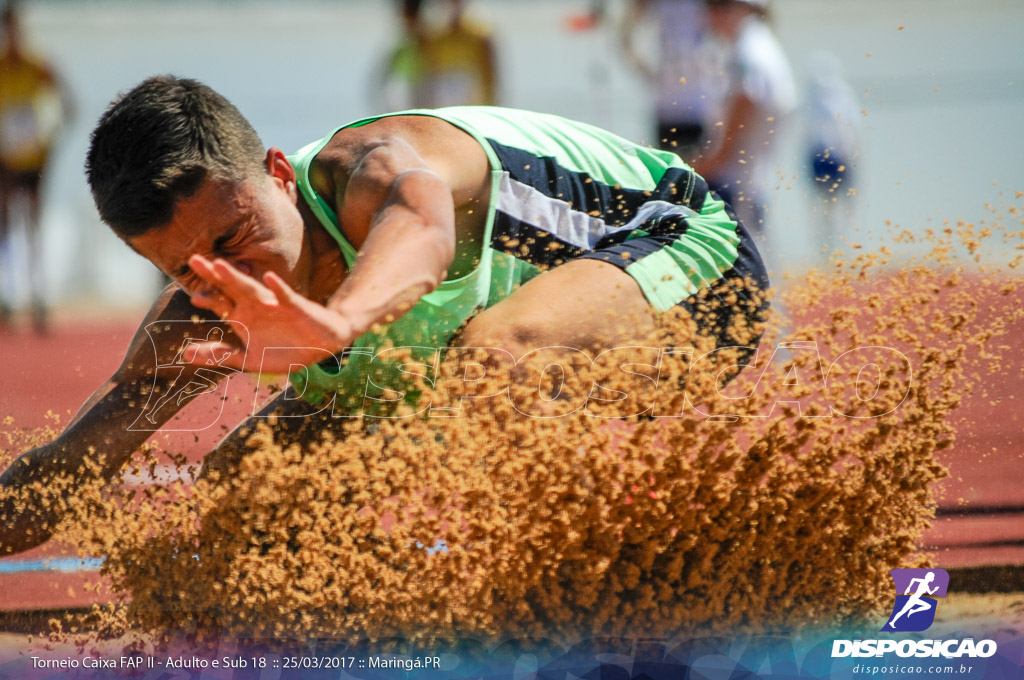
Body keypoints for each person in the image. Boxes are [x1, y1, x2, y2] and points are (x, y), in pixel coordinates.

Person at [0, 75, 768, 555]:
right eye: (186, 268)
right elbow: (67, 470)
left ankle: (602, 570)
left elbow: (424, 234)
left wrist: (332, 328)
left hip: (696, 274)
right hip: (488, 356)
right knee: (242, 500)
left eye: (235, 239)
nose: (229, 279)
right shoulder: (196, 325)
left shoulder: (372, 171)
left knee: (496, 357)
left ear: (276, 173)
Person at [693, 0, 795, 236]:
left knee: (739, 260)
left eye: (719, 6)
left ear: (745, 8)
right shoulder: (758, 45)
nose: (711, 14)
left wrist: (714, 160)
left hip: (735, 182)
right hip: (749, 179)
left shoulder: (749, 49)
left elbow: (747, 98)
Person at [0, 1, 71, 331]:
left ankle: (39, 299)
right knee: (6, 227)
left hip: (33, 160)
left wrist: (50, 142)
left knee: (32, 228)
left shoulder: (37, 65)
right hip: (4, 160)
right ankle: (8, 299)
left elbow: (67, 103)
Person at [620, 0, 720, 157]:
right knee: (670, 170)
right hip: (667, 102)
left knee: (704, 171)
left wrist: (717, 71)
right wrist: (645, 70)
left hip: (701, 103)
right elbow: (625, 35)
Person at [375, 0, 497, 111]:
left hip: (466, 92)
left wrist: (489, 103)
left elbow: (489, 74)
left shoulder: (479, 32)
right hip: (434, 92)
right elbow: (431, 72)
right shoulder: (432, 35)